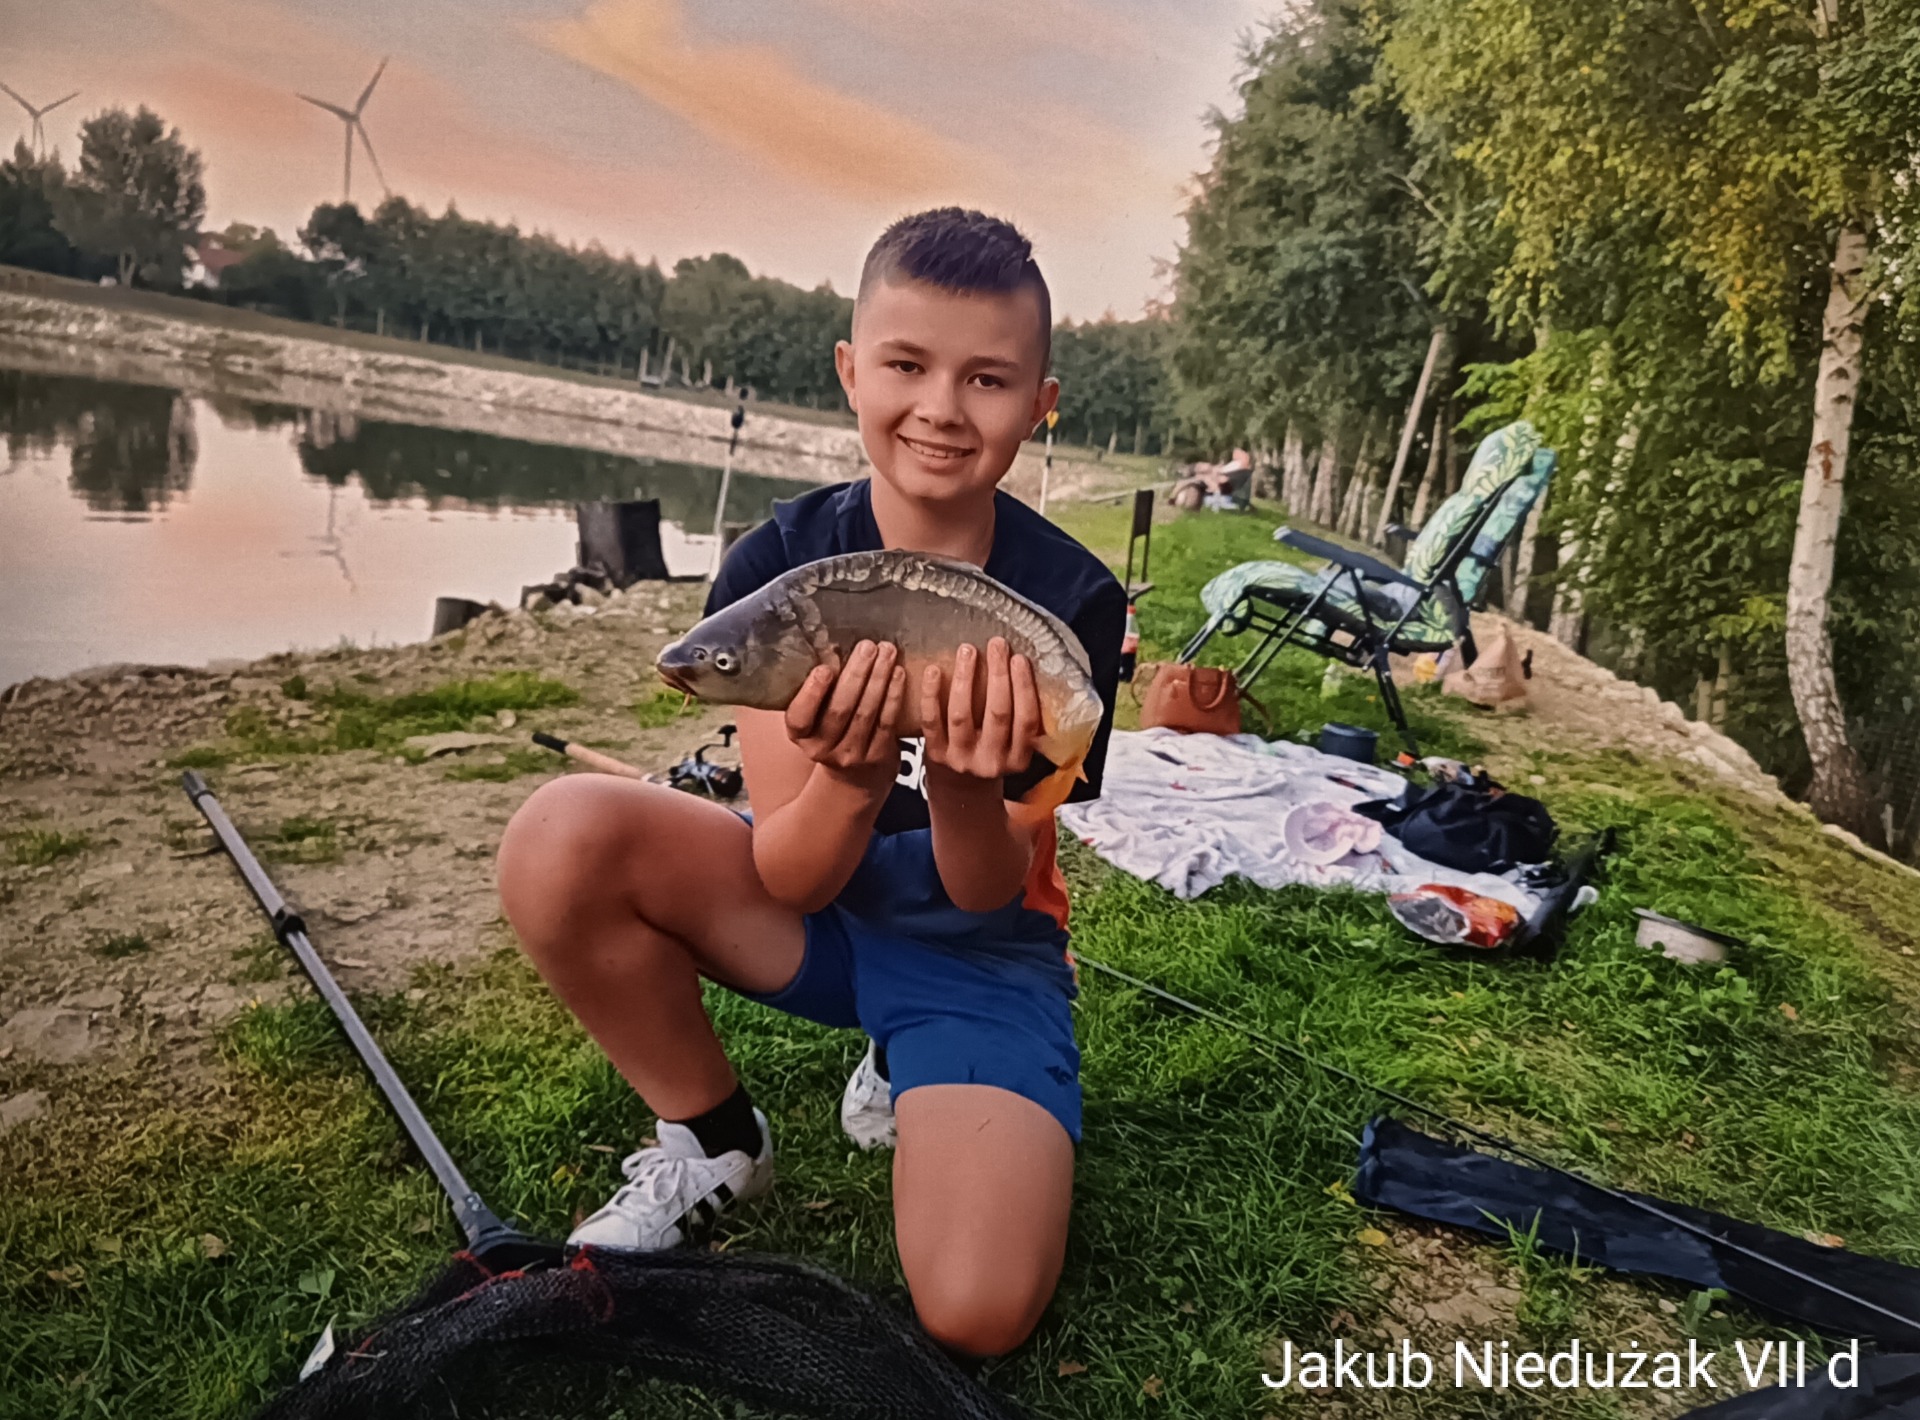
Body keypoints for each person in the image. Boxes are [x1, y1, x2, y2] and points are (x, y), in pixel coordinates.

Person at [496, 208, 1126, 1358]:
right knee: (560, 833)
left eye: (987, 379)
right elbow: (787, 871)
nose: (942, 407)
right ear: (850, 370)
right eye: (906, 364)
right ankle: (714, 1141)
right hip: (812, 915)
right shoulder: (779, 569)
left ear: (1041, 402)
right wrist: (849, 774)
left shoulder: (1069, 601)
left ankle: (911, 1056)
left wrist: (964, 787)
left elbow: (992, 888)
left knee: (976, 1310)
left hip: (977, 949)